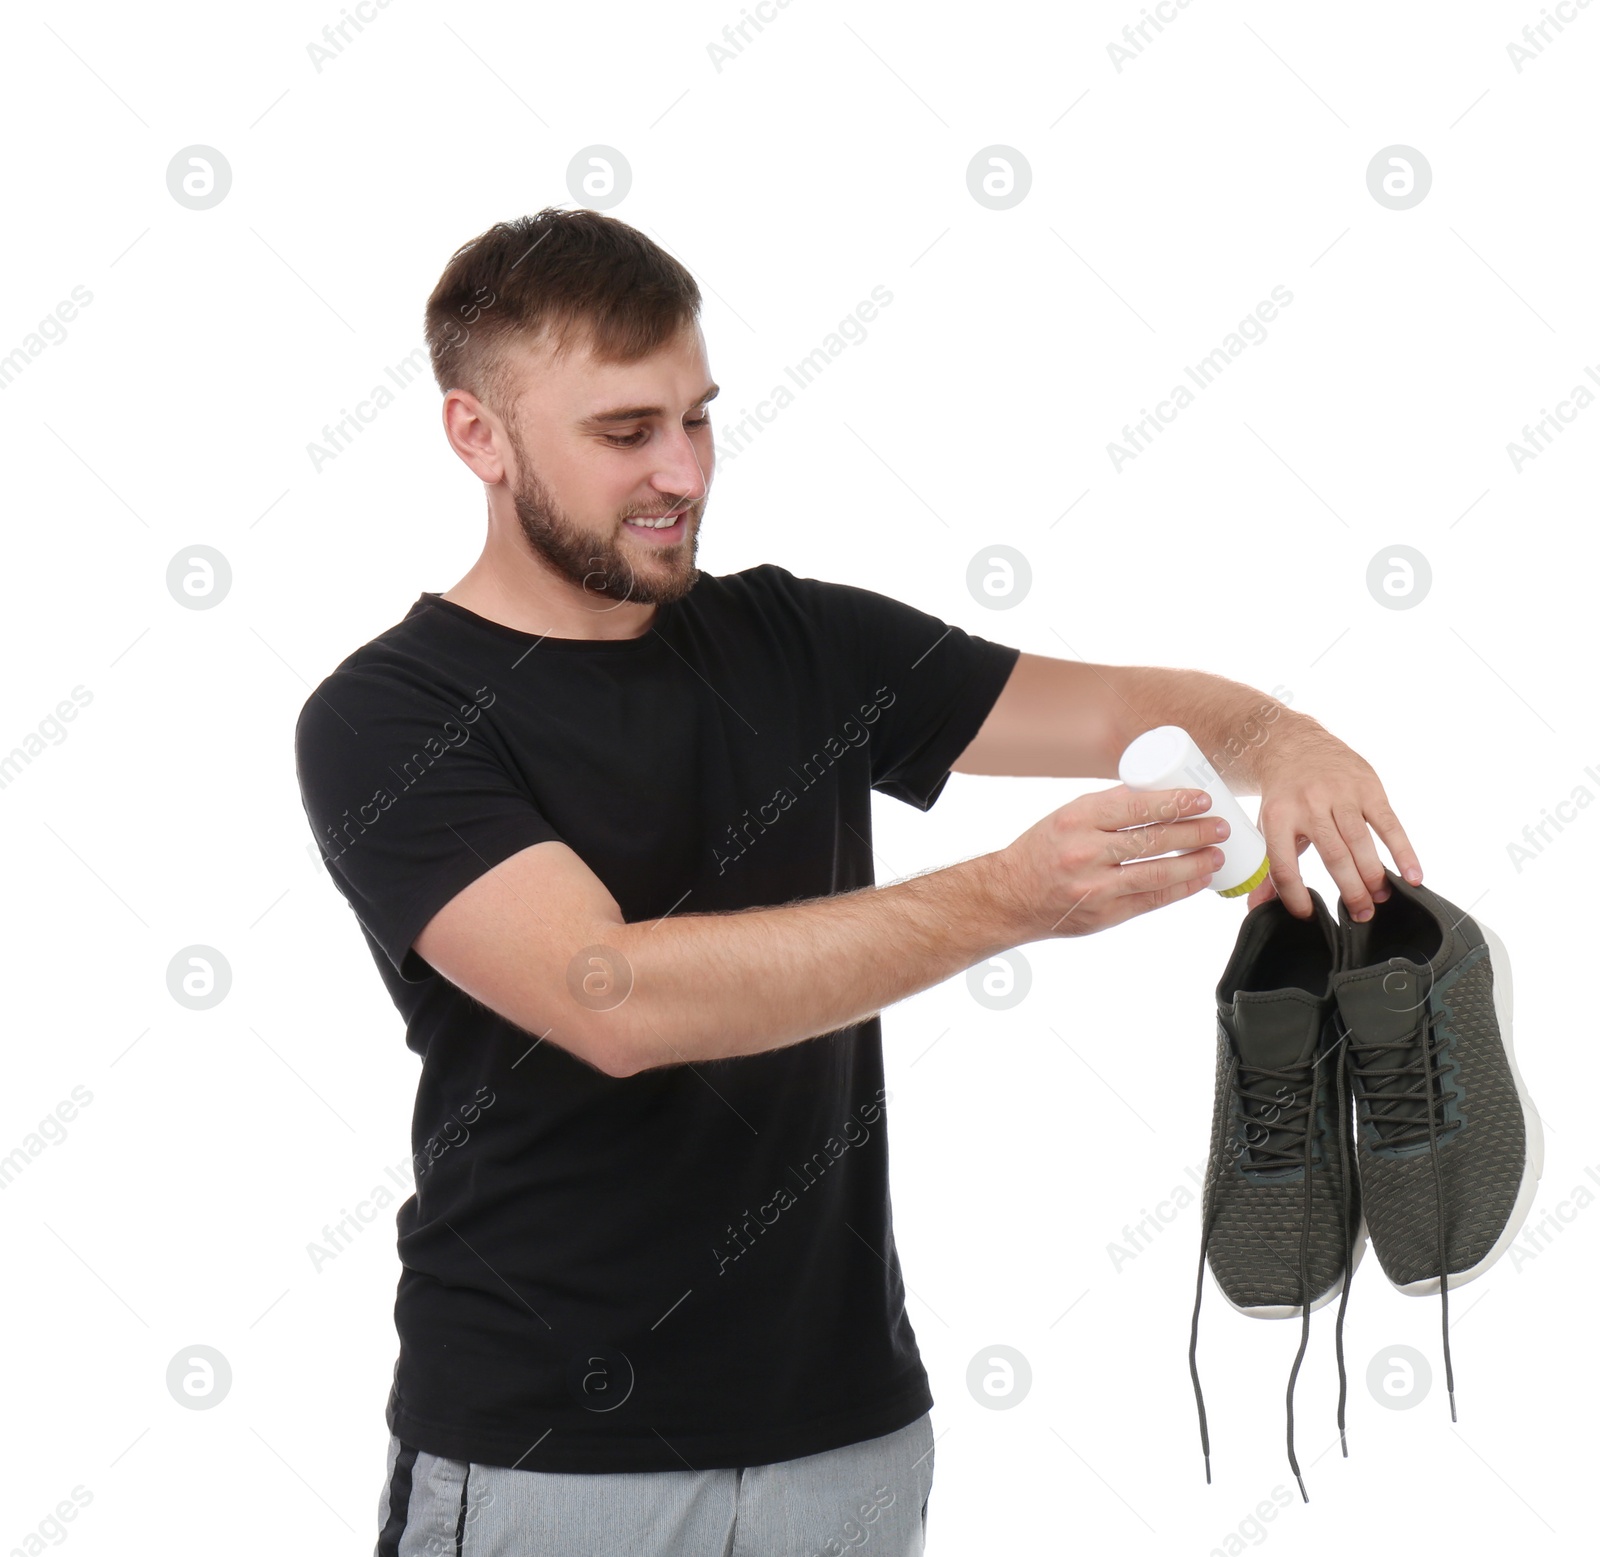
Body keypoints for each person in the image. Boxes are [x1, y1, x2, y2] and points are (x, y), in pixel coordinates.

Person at [292, 207, 1420, 1557]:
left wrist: (1284, 740)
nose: (682, 472)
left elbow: (1121, 703)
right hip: (553, 1457)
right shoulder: (389, 715)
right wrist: (1009, 899)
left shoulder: (798, 640)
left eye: (698, 418)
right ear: (477, 435)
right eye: (624, 430)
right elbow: (613, 999)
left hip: (850, 1444)